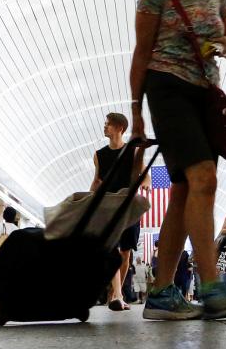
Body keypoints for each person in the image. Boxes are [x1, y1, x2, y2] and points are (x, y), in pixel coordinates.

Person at [129, 0, 226, 321]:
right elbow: (142, 53)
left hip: (205, 93)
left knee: (183, 190)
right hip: (167, 89)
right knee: (204, 177)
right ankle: (213, 285)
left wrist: (223, 46)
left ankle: (162, 292)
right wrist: (136, 110)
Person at [93, 111, 146, 311]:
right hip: (109, 207)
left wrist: (147, 184)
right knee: (113, 250)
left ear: (120, 128)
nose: (105, 127)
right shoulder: (99, 155)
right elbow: (97, 180)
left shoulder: (131, 151)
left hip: (130, 208)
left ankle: (116, 293)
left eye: (108, 124)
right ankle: (118, 295)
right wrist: (89, 198)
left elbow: (144, 174)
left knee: (125, 253)